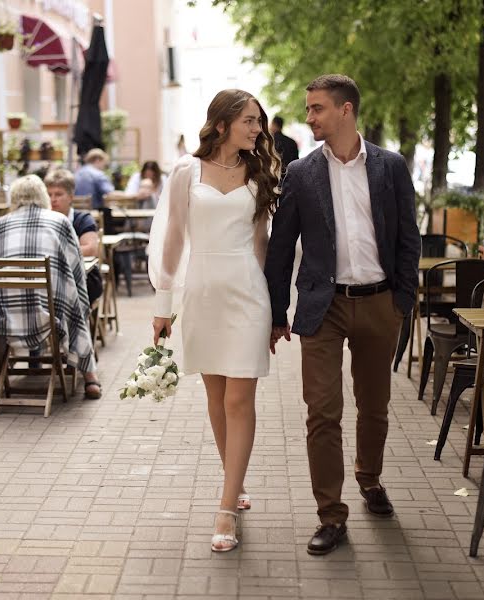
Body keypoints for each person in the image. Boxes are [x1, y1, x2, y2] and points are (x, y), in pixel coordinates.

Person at [264, 74, 420, 555]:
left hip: (380, 303)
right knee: (322, 412)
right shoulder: (301, 173)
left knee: (374, 407)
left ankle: (369, 480)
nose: (309, 117)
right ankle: (331, 514)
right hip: (323, 308)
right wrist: (276, 311)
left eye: (317, 109)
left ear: (345, 110)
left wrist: (402, 302)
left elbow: (409, 239)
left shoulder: (391, 167)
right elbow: (281, 247)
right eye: (308, 109)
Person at [149, 89, 280, 552]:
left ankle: (226, 509)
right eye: (249, 120)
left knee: (240, 399)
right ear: (222, 123)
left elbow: (262, 242)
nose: (257, 129)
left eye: (258, 121)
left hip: (246, 291)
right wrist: (163, 304)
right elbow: (173, 238)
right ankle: (236, 483)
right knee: (217, 396)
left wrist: (272, 307)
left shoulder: (261, 171)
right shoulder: (187, 170)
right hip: (202, 292)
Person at [0, 174, 102, 399]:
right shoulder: (59, 221)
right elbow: (76, 271)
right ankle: (90, 377)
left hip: (4, 319)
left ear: (13, 198)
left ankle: (8, 367)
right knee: (75, 302)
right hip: (49, 317)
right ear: (43, 195)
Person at [44, 168, 103, 304]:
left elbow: (91, 249)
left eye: (58, 194)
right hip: (51, 277)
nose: (53, 199)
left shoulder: (82, 219)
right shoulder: (43, 220)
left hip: (84, 278)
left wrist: (55, 254)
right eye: (49, 194)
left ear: (71, 196)